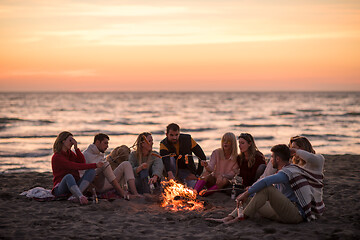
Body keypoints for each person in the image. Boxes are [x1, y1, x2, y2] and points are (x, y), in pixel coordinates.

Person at [207, 144, 325, 224]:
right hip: (282, 211)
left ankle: (239, 219)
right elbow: (265, 179)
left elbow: (266, 181)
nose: (270, 160)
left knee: (266, 188)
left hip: (295, 214)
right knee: (251, 197)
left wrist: (245, 193)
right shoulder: (284, 169)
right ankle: (227, 218)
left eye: (272, 157)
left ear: (278, 159)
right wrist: (249, 194)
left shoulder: (288, 172)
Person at [51, 131, 104, 205]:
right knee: (68, 176)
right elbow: (75, 166)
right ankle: (80, 196)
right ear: (63, 141)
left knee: (91, 171)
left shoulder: (70, 153)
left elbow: (82, 162)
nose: (72, 143)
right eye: (70, 140)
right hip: (60, 188)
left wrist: (76, 148)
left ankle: (75, 196)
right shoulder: (57, 157)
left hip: (74, 185)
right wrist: (95, 165)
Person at [82, 133, 140, 198]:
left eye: (108, 144)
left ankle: (135, 193)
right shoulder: (86, 155)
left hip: (105, 183)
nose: (107, 146)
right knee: (105, 164)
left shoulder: (99, 154)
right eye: (105, 143)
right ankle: (122, 193)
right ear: (98, 142)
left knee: (126, 164)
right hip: (96, 187)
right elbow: (82, 176)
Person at [160, 123, 206, 188]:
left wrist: (197, 174)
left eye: (176, 135)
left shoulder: (188, 139)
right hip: (170, 171)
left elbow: (201, 156)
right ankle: (171, 181)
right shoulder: (163, 144)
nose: (174, 137)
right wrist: (170, 174)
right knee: (170, 158)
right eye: (171, 135)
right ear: (167, 134)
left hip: (186, 171)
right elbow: (165, 160)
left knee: (194, 188)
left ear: (179, 134)